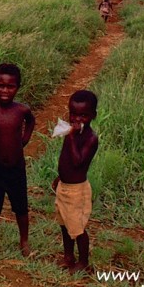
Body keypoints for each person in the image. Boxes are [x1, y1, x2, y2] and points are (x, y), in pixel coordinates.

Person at [0, 63, 35, 256]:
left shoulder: (22, 110)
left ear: (17, 88)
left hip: (17, 167)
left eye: (10, 86)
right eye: (0, 85)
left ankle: (24, 241)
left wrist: (25, 139)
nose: (4, 90)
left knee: (20, 206)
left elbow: (31, 121)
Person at [53, 90, 98, 273]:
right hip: (64, 186)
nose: (77, 119)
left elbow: (79, 161)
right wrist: (60, 177)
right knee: (64, 224)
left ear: (93, 116)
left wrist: (71, 135)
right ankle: (68, 256)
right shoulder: (72, 133)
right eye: (73, 114)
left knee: (77, 228)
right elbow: (66, 159)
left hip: (77, 191)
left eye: (83, 115)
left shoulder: (90, 138)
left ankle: (84, 262)